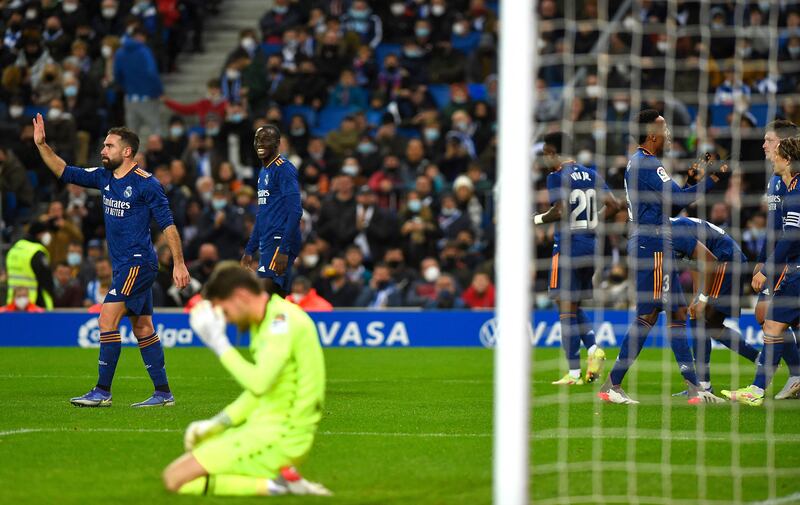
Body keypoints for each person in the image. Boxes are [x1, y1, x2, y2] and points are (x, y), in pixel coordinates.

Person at [32, 114, 190, 407]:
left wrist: (179, 263)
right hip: (125, 265)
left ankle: (102, 392)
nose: (102, 151)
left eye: (109, 146)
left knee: (107, 319)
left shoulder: (147, 184)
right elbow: (65, 171)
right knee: (143, 327)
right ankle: (163, 393)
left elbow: (168, 225)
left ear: (126, 151)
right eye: (103, 146)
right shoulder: (104, 176)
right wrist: (42, 145)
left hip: (138, 263)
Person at [163, 264, 330, 497]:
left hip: (282, 435)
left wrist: (220, 345)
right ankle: (279, 482)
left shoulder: (280, 323)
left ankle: (276, 486)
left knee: (175, 479)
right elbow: (263, 391)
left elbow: (259, 383)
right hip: (264, 429)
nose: (227, 321)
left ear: (241, 296)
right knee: (181, 472)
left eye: (226, 311)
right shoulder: (267, 320)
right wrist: (218, 423)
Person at [598, 109, 727, 405]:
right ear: (652, 135)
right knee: (648, 315)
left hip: (653, 242)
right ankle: (612, 385)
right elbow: (679, 199)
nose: (669, 134)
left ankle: (693, 387)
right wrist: (712, 181)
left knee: (676, 314)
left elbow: (669, 206)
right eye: (665, 129)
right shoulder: (649, 164)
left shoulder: (639, 163)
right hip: (652, 245)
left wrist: (692, 178)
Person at [534, 132, 620, 385]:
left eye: (546, 153)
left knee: (564, 308)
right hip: (591, 247)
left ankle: (573, 373)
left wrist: (534, 220)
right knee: (570, 305)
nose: (545, 159)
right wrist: (592, 223)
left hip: (568, 246)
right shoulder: (592, 173)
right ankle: (593, 350)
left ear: (554, 153)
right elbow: (614, 205)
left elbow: (559, 210)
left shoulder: (556, 176)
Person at [723, 137, 800, 406]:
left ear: (787, 159)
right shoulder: (790, 187)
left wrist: (766, 269)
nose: (772, 157)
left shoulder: (795, 191)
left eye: (776, 153)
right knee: (775, 324)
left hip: (796, 271)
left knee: (771, 325)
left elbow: (791, 237)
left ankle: (757, 390)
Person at [669, 217, 760, 394]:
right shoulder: (670, 230)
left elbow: (708, 260)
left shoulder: (672, 232)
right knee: (704, 322)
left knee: (704, 321)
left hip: (725, 261)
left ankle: (704, 384)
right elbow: (695, 263)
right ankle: (758, 359)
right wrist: (697, 297)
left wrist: (702, 298)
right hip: (721, 262)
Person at [241, 125, 302, 297]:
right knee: (275, 295)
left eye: (266, 139)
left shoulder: (284, 169)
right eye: (258, 140)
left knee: (264, 292)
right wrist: (249, 249)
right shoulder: (263, 171)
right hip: (269, 239)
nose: (260, 144)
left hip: (280, 238)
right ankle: (283, 322)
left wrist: (284, 249)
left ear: (277, 143)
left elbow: (296, 211)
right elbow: (262, 214)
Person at [753, 121, 799, 329]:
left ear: (783, 144)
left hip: (788, 256)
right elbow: (773, 225)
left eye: (769, 140)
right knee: (767, 319)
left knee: (766, 317)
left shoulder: (792, 179)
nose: (764, 145)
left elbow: (789, 229)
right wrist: (762, 259)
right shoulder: (775, 178)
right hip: (779, 255)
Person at [5, 221, 55, 310]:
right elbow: (46, 279)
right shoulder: (37, 252)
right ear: (39, 234)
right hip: (35, 302)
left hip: (13, 302)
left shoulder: (15, 248)